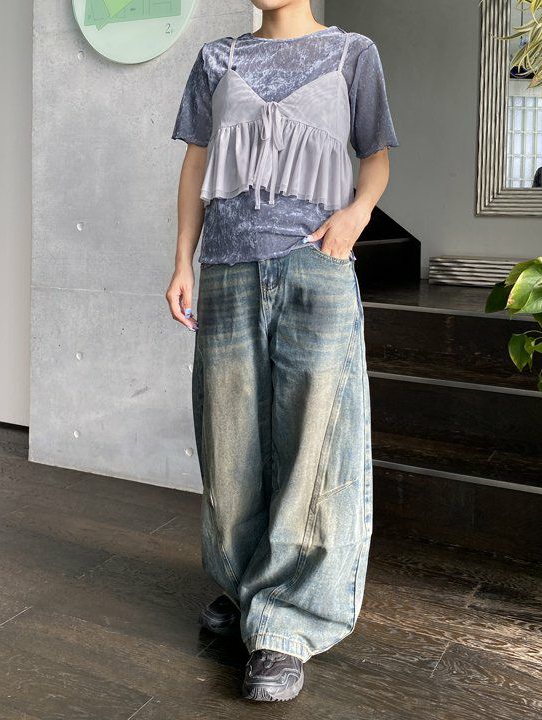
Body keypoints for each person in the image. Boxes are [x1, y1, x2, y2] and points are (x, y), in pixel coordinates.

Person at [166, 0, 398, 703]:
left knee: (313, 441)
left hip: (315, 265)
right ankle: (247, 588)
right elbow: (196, 165)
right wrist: (182, 261)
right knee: (230, 437)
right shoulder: (217, 58)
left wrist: (355, 216)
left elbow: (376, 157)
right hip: (227, 268)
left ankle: (287, 625)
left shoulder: (353, 53)